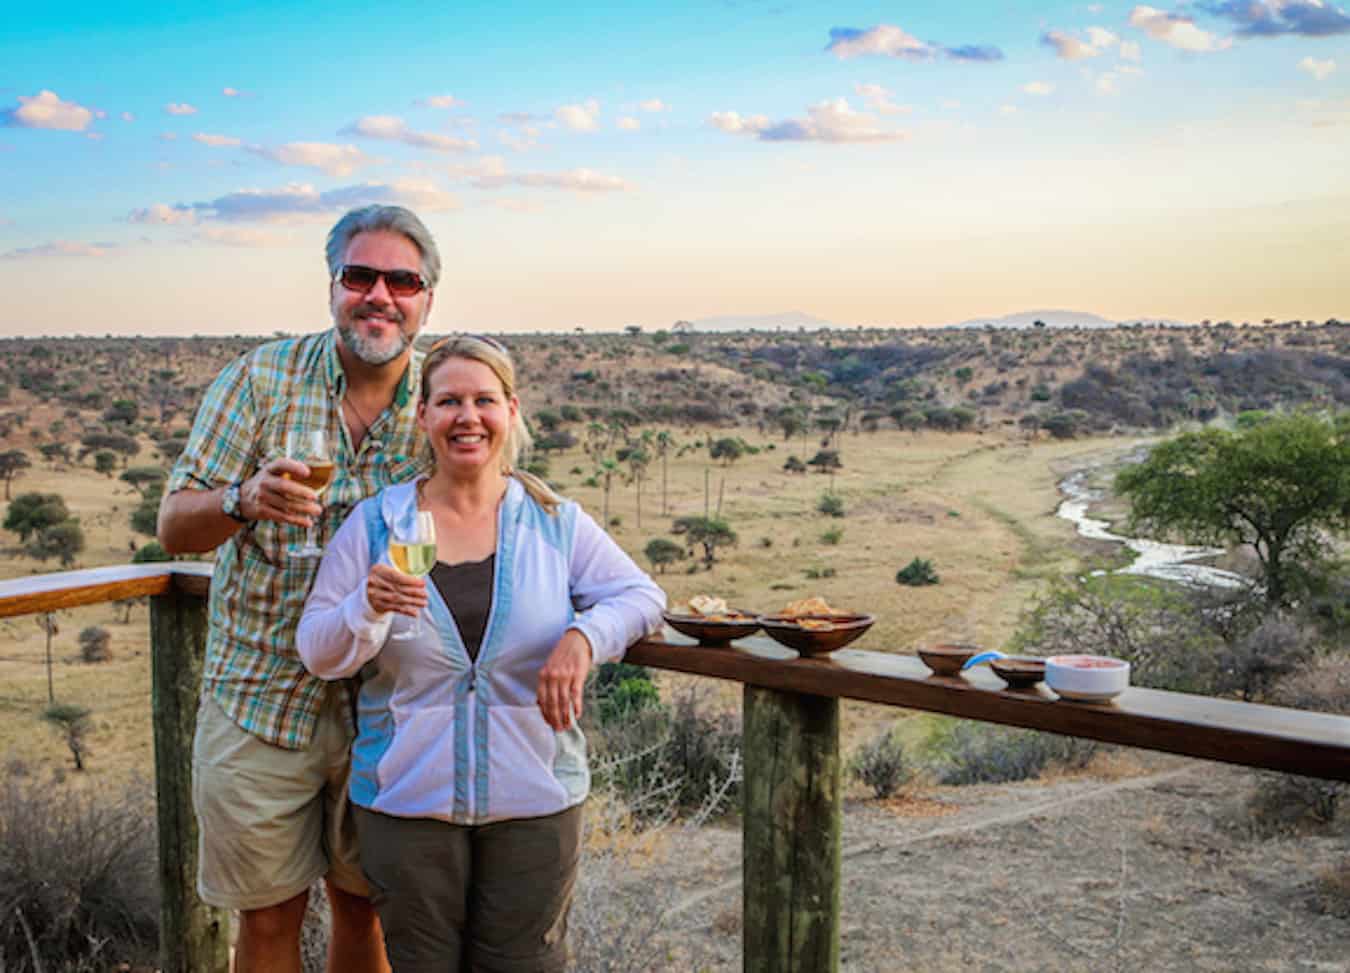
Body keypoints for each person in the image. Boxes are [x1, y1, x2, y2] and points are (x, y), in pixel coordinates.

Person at [296, 335, 665, 972]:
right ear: (423, 416)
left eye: (484, 400)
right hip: (405, 802)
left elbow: (641, 596)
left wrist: (583, 639)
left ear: (511, 411)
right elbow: (318, 652)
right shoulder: (376, 525)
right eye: (448, 402)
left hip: (536, 801)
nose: (468, 417)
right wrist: (366, 604)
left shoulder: (555, 523)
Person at [158, 204, 443, 973]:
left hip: (384, 705)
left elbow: (492, 511)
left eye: (402, 280)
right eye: (360, 275)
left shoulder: (442, 402)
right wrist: (239, 500)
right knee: (269, 920)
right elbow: (172, 526)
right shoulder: (262, 378)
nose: (379, 294)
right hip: (259, 697)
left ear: (426, 300)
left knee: (367, 910)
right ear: (332, 286)